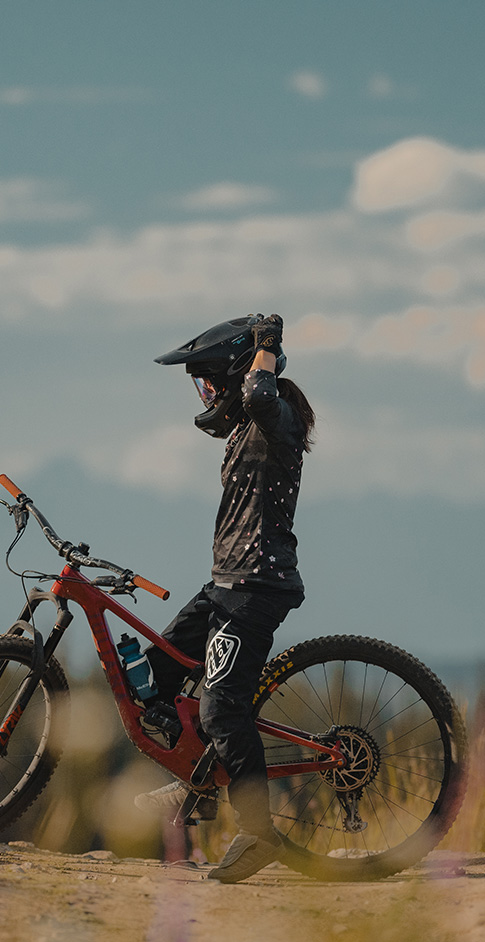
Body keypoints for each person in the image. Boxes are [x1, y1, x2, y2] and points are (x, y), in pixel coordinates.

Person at [132, 313, 315, 883]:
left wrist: (266, 347)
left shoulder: (274, 418)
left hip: (257, 589)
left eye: (209, 382)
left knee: (221, 707)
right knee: (155, 676)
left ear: (238, 378)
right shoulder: (245, 429)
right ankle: (200, 784)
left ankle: (259, 833)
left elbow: (261, 392)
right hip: (225, 584)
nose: (205, 395)